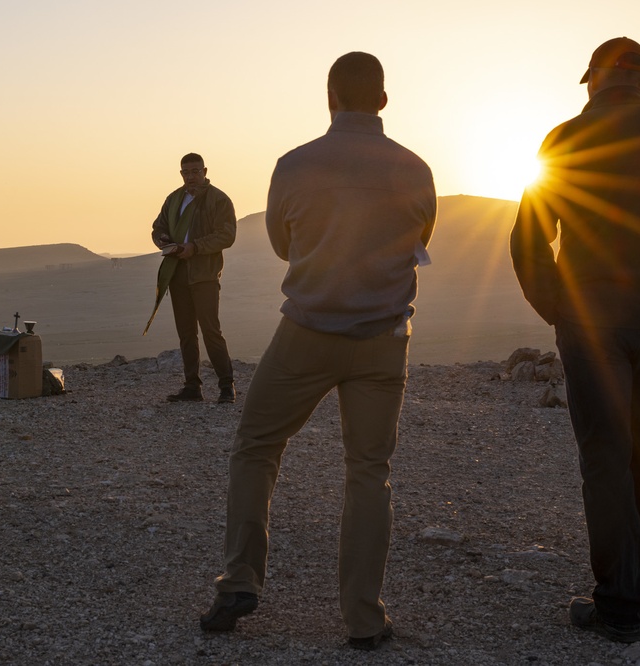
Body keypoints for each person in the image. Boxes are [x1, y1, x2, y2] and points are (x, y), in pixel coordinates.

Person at [200, 52, 436, 649]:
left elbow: (283, 244)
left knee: (256, 446)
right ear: (383, 100)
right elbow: (421, 236)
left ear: (329, 97)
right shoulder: (416, 169)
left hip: (306, 333)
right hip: (384, 341)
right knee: (368, 473)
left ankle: (239, 582)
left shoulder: (294, 165)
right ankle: (363, 619)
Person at [511, 37, 640, 644]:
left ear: (597, 79)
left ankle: (618, 605)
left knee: (606, 457)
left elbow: (530, 235)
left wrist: (558, 308)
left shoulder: (566, 139)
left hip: (591, 319)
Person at [145, 153, 237, 404]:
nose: (191, 176)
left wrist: (195, 247)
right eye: (186, 172)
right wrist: (163, 240)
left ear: (205, 171)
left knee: (211, 331)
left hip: (204, 273)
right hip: (177, 273)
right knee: (186, 332)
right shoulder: (174, 199)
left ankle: (226, 386)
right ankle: (192, 387)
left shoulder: (218, 199)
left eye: (196, 171)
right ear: (181, 174)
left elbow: (227, 235)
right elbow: (158, 227)